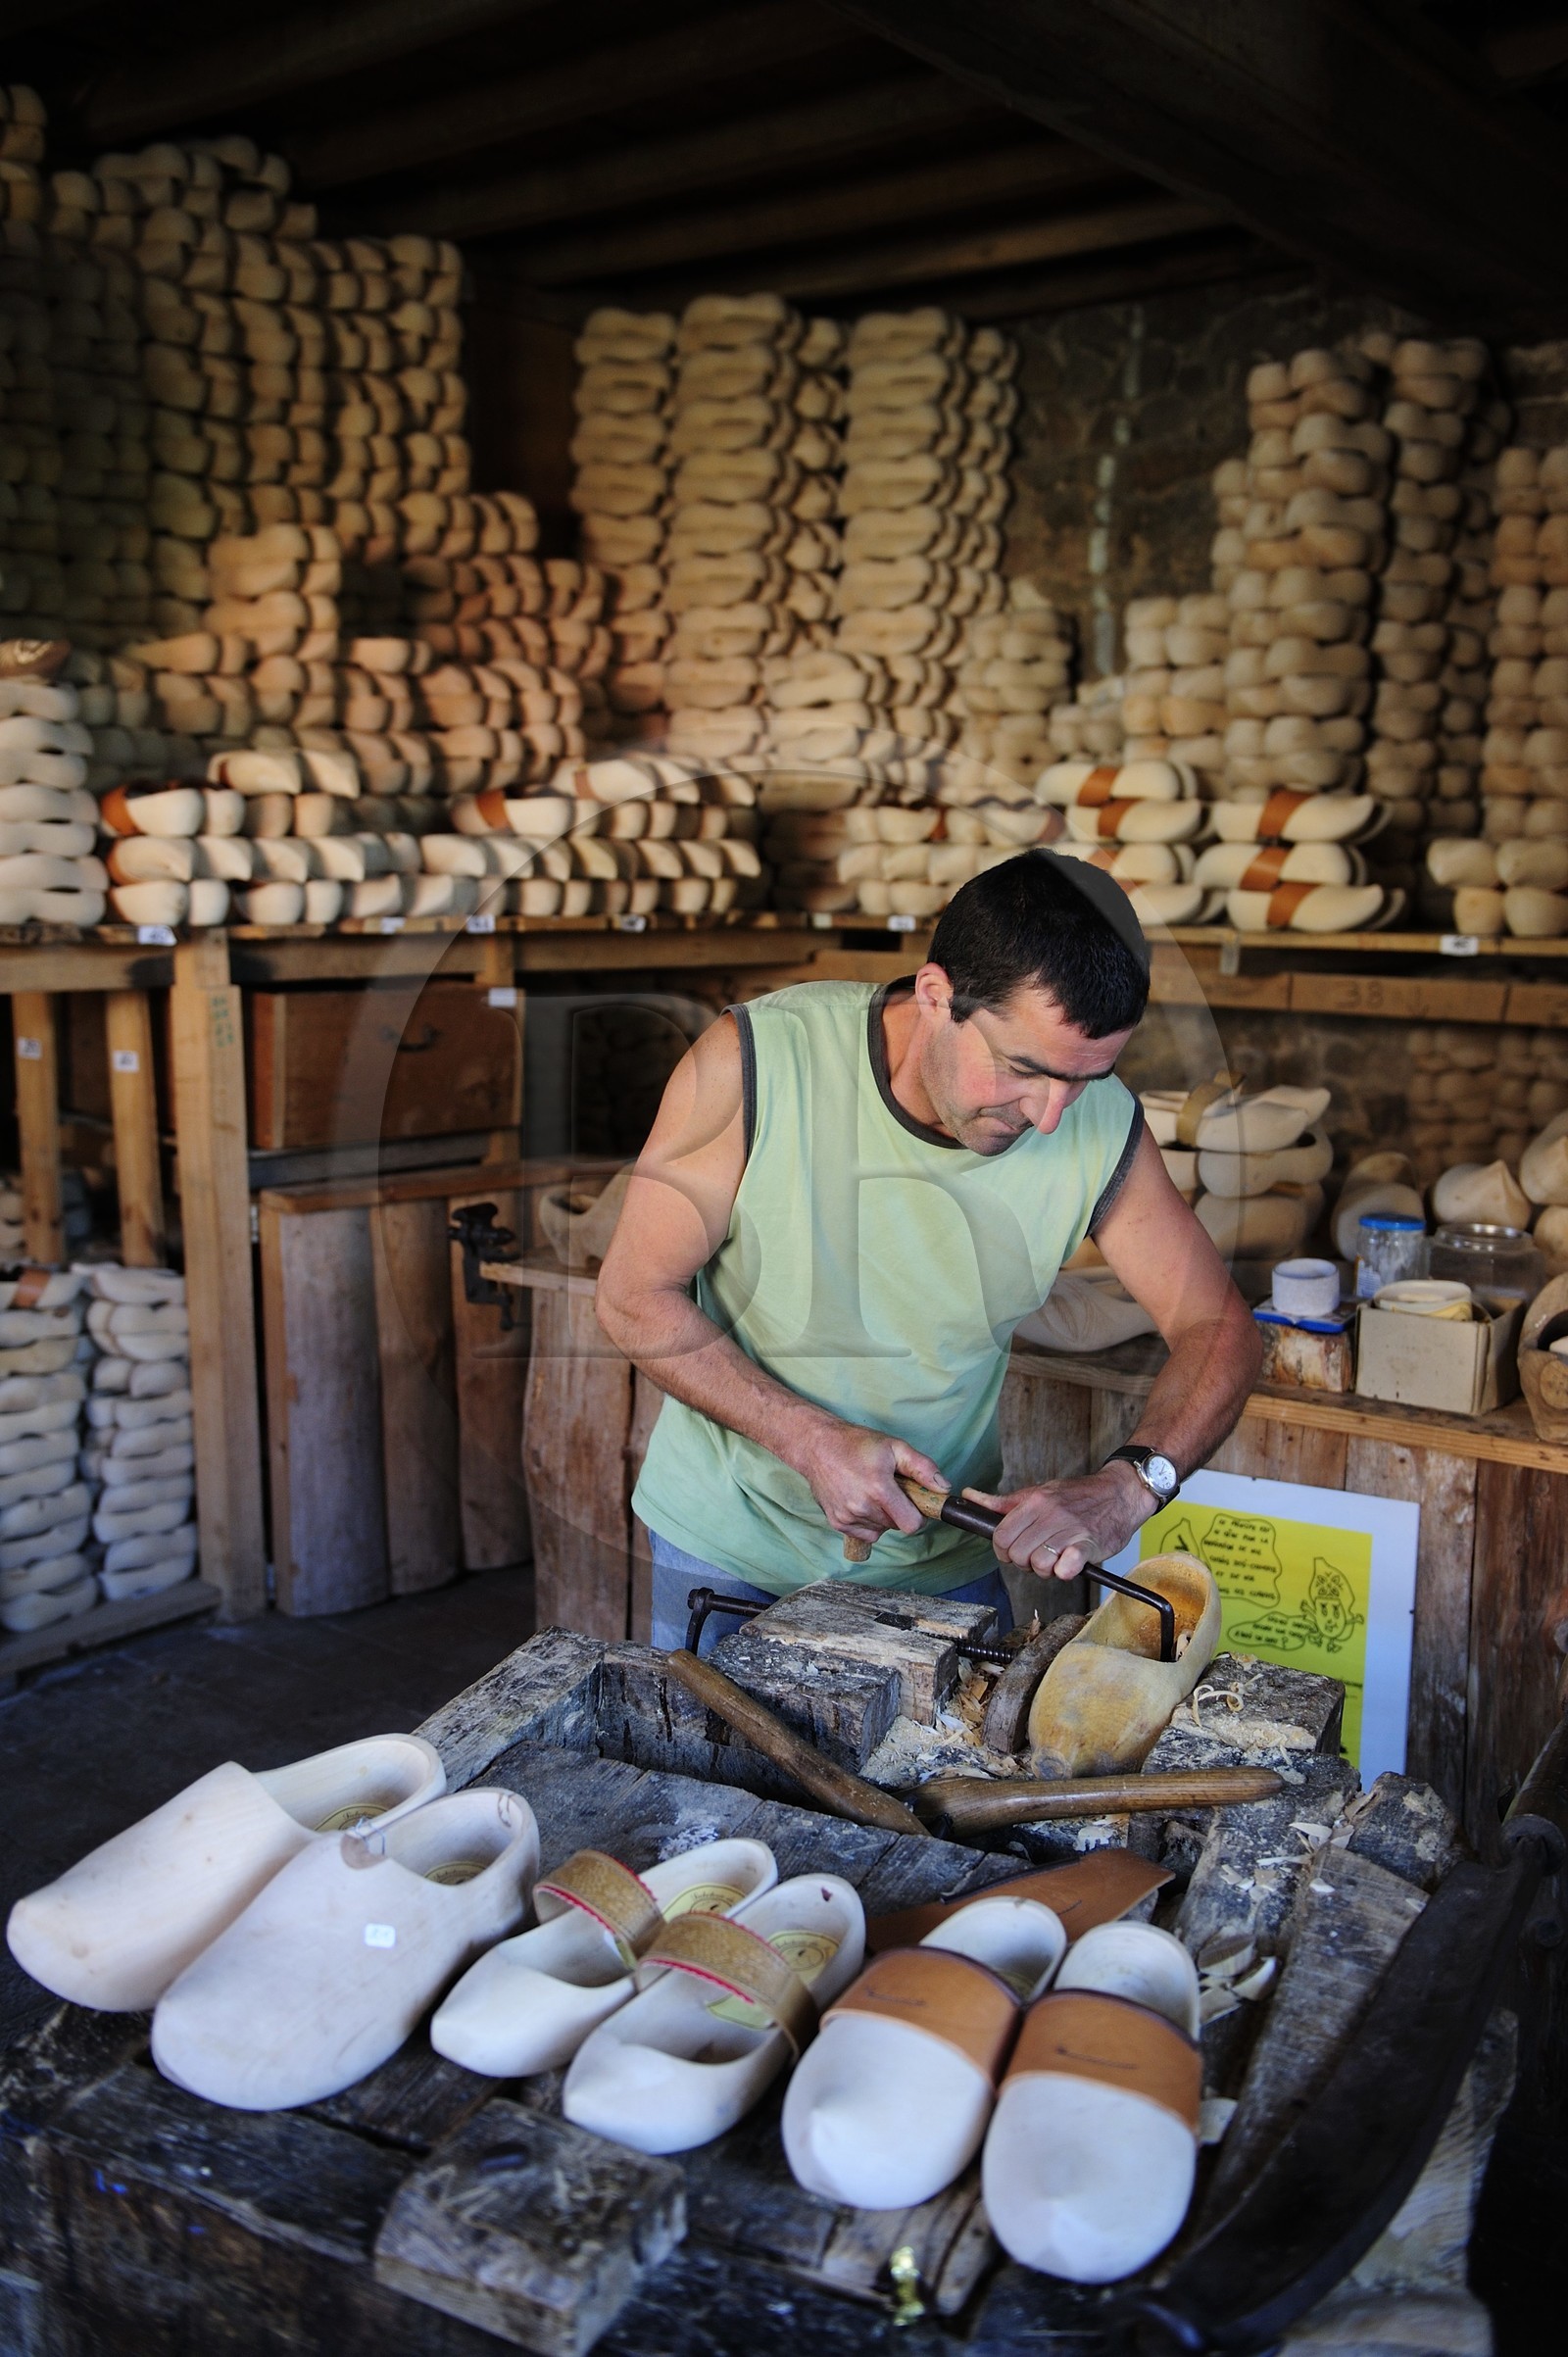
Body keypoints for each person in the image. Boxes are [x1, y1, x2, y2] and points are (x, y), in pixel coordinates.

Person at [596, 852, 1261, 1650]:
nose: (1051, 1116)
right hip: (734, 1550)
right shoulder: (759, 1060)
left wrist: (1129, 1486)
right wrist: (811, 1441)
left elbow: (1218, 1325)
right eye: (1022, 1069)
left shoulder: (1096, 1122)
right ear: (937, 994)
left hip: (942, 1568)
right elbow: (635, 1294)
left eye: (1084, 1078)